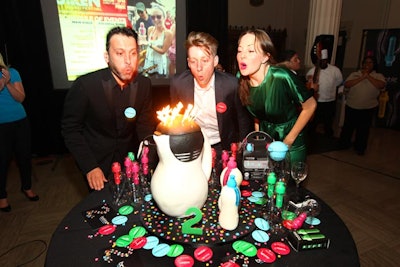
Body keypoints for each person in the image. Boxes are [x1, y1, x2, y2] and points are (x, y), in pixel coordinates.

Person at [61, 26, 155, 191]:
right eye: (120, 53)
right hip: (97, 164)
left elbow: (145, 125)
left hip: (130, 162)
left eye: (133, 53)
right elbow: (71, 130)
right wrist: (89, 167)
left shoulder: (144, 84)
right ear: (107, 57)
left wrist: (148, 158)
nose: (128, 60)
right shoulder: (86, 85)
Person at [236, 29, 317, 163]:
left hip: (292, 137)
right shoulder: (241, 79)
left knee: (290, 181)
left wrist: (288, 142)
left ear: (265, 56)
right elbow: (257, 112)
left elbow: (310, 105)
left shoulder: (280, 76)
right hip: (266, 138)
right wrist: (258, 137)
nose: (242, 56)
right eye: (239, 50)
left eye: (250, 51)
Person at [170, 31, 254, 157]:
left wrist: (242, 151)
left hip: (223, 147)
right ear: (188, 62)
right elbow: (175, 121)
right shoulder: (179, 84)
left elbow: (243, 122)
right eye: (193, 61)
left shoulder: (231, 85)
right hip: (192, 145)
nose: (199, 67)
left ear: (215, 61)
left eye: (205, 60)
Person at [0, 53, 39, 212]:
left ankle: (27, 187)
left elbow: (21, 97)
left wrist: (8, 83)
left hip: (20, 120)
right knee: (2, 161)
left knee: (24, 156)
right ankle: (2, 197)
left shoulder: (12, 72)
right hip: (1, 125)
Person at [338, 55, 386, 155]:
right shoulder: (355, 74)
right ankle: (343, 144)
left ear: (374, 65)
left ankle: (360, 148)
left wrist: (368, 76)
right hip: (352, 106)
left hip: (368, 108)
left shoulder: (378, 76)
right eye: (365, 62)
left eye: (370, 62)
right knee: (348, 127)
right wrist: (362, 77)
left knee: (363, 130)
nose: (367, 64)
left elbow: (381, 85)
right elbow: (347, 84)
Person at [306, 49, 343, 137]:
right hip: (316, 101)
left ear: (327, 60)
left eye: (324, 61)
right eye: (320, 61)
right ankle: (311, 138)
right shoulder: (312, 70)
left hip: (330, 101)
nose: (322, 62)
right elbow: (309, 83)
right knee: (313, 122)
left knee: (328, 122)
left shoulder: (335, 70)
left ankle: (328, 138)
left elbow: (339, 81)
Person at [142, 4, 173, 77]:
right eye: (153, 17)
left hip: (160, 65)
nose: (156, 20)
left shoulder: (168, 33)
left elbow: (163, 51)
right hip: (149, 63)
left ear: (164, 17)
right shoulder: (150, 30)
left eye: (159, 17)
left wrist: (150, 45)